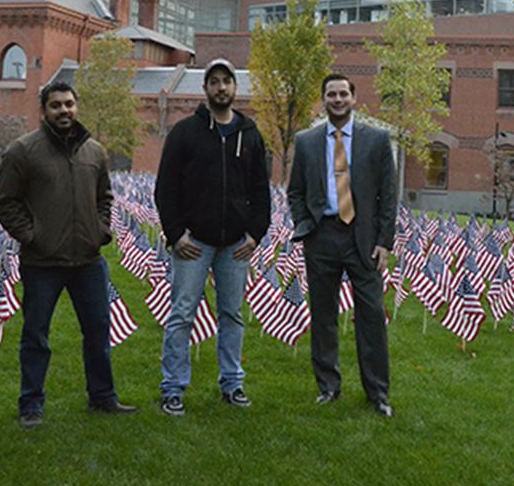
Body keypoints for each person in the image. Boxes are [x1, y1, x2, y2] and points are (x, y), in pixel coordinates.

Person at [0, 80, 136, 428]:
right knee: (36, 335)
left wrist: (101, 230)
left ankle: (103, 397)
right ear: (44, 110)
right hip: (43, 262)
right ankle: (31, 404)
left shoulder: (94, 152)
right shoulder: (22, 151)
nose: (64, 110)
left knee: (99, 330)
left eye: (69, 104)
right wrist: (32, 236)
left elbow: (105, 197)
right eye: (56, 105)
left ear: (77, 106)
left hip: (88, 260)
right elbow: (5, 203)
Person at [154, 58, 270, 417]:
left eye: (227, 81)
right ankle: (173, 388)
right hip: (194, 243)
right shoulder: (184, 133)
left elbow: (260, 191)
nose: (221, 88)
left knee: (232, 315)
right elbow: (165, 188)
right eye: (214, 82)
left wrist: (255, 234)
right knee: (182, 314)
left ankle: (232, 384)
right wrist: (176, 235)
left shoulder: (250, 134)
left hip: (235, 244)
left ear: (236, 88)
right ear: (205, 89)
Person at [287, 73, 397, 418]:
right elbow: (295, 192)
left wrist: (384, 242)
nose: (337, 99)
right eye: (331, 94)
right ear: (323, 99)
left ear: (353, 98)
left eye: (343, 94)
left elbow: (388, 196)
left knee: (372, 316)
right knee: (323, 317)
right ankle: (328, 387)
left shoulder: (377, 140)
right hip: (322, 237)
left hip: (362, 239)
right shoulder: (306, 141)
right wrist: (306, 224)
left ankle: (377, 393)